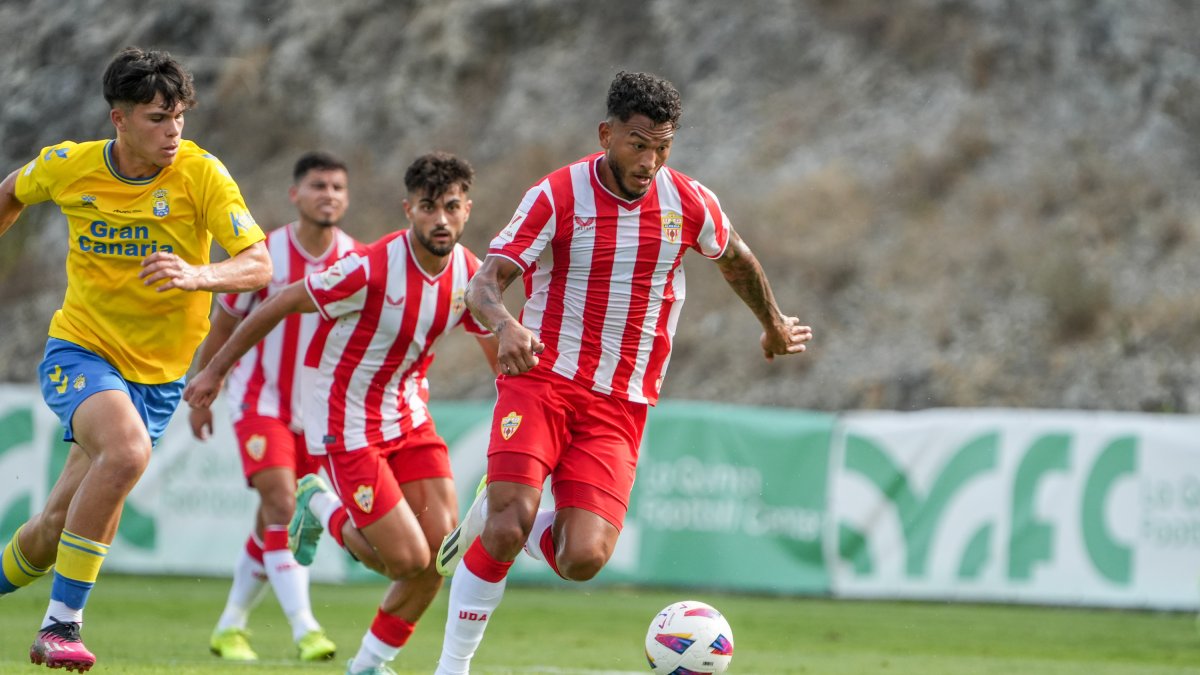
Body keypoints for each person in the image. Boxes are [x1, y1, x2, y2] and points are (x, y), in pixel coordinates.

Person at [431, 71, 813, 674]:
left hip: (620, 402)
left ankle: (499, 511)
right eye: (638, 144)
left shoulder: (689, 202)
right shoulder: (557, 194)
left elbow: (736, 259)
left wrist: (772, 324)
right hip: (543, 378)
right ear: (606, 135)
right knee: (507, 528)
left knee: (583, 558)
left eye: (663, 146)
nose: (650, 161)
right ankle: (452, 666)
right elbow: (483, 284)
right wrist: (505, 326)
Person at [0, 46, 271, 672]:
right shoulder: (69, 165)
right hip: (82, 350)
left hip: (158, 378)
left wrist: (199, 274)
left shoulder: (202, 174)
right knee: (125, 452)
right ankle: (61, 625)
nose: (173, 131)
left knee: (52, 529)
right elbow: (12, 189)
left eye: (179, 117)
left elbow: (259, 264)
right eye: (157, 118)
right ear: (118, 119)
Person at [184, 151, 500, 675]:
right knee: (403, 561)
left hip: (408, 416)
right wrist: (214, 372)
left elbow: (499, 356)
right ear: (408, 210)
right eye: (428, 207)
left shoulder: (469, 275)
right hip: (346, 424)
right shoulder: (370, 267)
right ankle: (319, 506)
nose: (441, 219)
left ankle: (368, 664)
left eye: (451, 206)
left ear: (467, 209)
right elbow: (280, 302)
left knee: (439, 558)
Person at [191, 151, 358, 663]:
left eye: (337, 187)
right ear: (295, 194)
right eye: (318, 186)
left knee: (271, 515)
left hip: (319, 413)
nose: (328, 195)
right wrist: (206, 385)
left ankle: (230, 626)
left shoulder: (358, 260)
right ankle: (306, 629)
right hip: (259, 399)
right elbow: (224, 325)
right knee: (285, 505)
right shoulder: (264, 256)